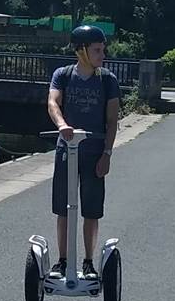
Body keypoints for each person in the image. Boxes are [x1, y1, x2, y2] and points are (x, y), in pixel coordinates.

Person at [47, 24, 121, 278]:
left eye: (103, 50)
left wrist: (107, 154)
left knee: (91, 210)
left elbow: (112, 120)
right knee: (64, 208)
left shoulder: (107, 80)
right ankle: (63, 260)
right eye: (97, 50)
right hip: (66, 150)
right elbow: (53, 102)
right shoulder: (63, 75)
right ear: (81, 50)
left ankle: (88, 261)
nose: (103, 55)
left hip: (94, 152)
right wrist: (62, 125)